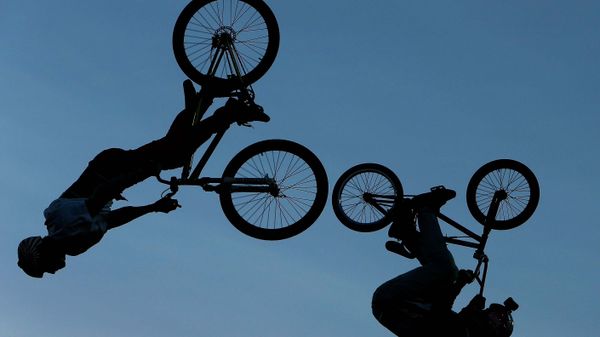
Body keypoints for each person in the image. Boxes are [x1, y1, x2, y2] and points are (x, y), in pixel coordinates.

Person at [17, 80, 270, 278]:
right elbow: (113, 219)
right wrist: (153, 208)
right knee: (173, 146)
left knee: (174, 152)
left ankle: (228, 111)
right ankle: (204, 100)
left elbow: (103, 192)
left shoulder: (63, 226)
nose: (52, 271)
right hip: (114, 172)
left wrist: (147, 171)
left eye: (45, 268)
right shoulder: (73, 244)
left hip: (110, 168)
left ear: (43, 255)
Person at [371, 187, 515, 337]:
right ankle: (406, 233)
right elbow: (457, 317)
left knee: (447, 270)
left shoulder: (460, 333)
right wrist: (473, 307)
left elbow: (441, 309)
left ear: (491, 330)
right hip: (399, 304)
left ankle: (425, 209)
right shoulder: (466, 329)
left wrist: (460, 282)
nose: (494, 316)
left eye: (497, 319)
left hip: (392, 301)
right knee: (441, 277)